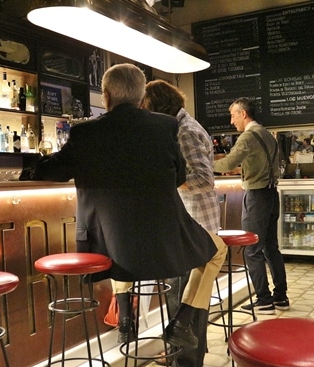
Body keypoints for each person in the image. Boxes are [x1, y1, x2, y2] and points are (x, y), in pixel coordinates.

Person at [33, 63, 227, 351]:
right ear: (140, 98)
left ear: (106, 96)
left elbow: (53, 171)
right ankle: (181, 323)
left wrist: (29, 171)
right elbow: (180, 177)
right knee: (217, 250)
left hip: (113, 252)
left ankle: (126, 319)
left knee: (116, 238)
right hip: (165, 246)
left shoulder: (85, 133)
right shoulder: (166, 126)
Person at [140, 79, 223, 367]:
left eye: (145, 105)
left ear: (158, 105)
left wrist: (166, 178)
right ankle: (179, 352)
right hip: (187, 223)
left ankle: (186, 364)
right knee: (181, 293)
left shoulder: (184, 130)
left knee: (186, 297)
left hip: (195, 225)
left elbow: (203, 178)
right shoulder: (180, 127)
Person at [213, 97, 289, 315]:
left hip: (256, 196)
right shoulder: (266, 134)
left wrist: (202, 164)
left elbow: (228, 163)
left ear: (243, 114)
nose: (231, 121)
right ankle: (280, 297)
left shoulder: (247, 136)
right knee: (271, 247)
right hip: (272, 194)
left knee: (252, 250)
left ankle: (263, 300)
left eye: (233, 115)